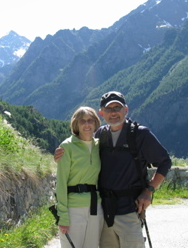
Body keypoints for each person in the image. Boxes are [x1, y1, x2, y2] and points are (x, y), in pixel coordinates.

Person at [54, 91, 172, 248]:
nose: (114, 112)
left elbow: (165, 162)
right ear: (102, 113)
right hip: (104, 213)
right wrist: (61, 152)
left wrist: (149, 190)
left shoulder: (140, 134)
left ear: (126, 110)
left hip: (130, 210)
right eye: (109, 109)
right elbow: (82, 145)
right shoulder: (100, 135)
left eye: (118, 107)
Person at [55, 106, 104, 248]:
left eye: (90, 120)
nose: (87, 124)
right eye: (83, 121)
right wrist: (62, 215)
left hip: (96, 206)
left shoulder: (100, 146)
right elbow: (62, 183)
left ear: (96, 123)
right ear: (76, 124)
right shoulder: (67, 147)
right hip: (73, 208)